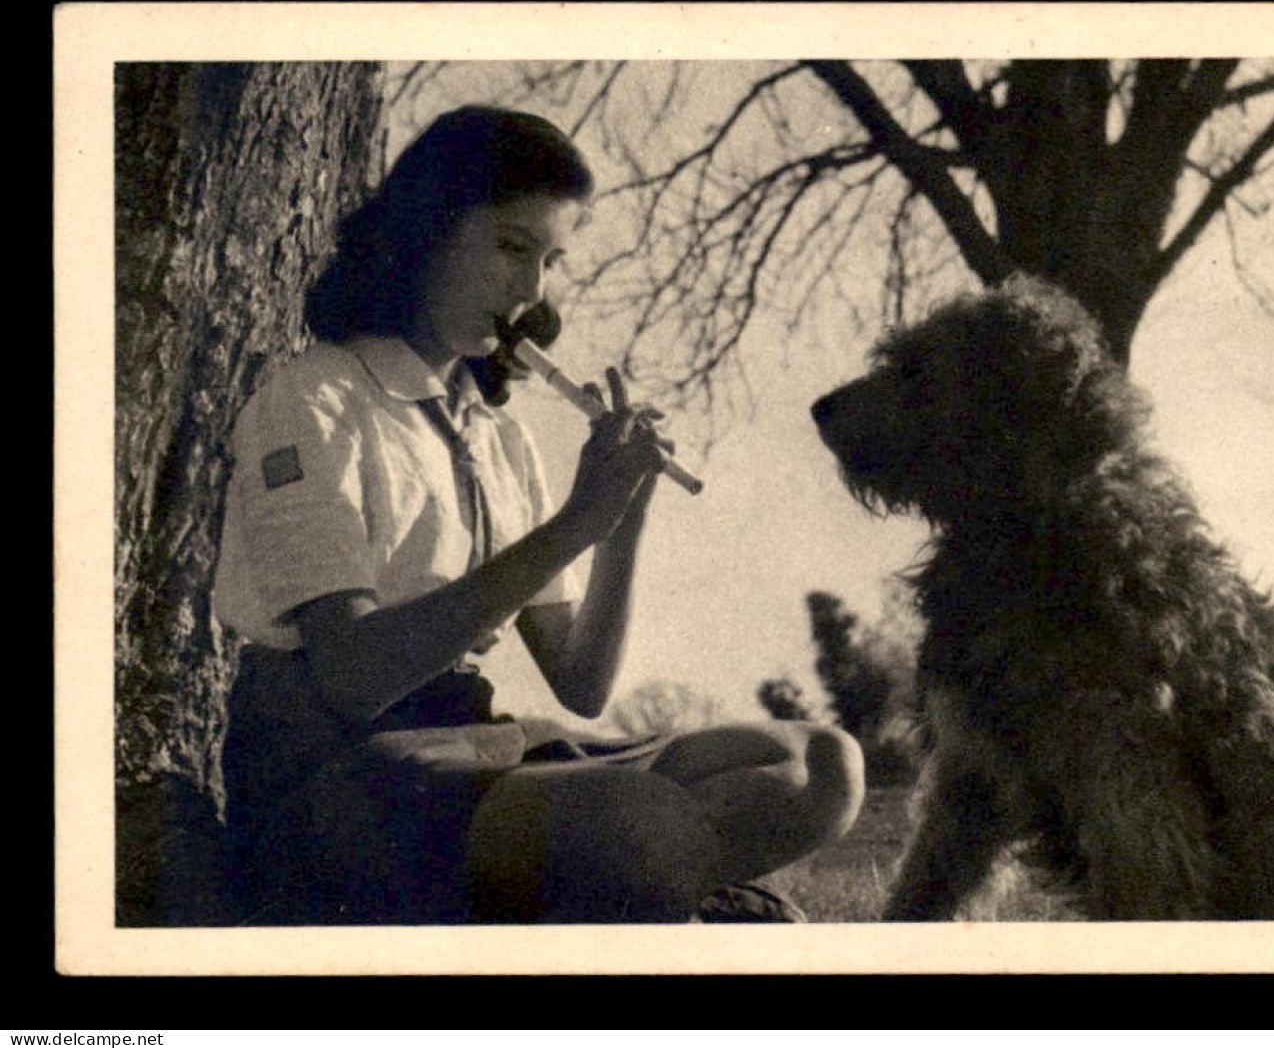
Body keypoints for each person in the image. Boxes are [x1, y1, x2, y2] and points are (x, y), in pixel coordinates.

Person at [213, 106, 865, 925]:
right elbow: (352, 677)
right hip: (338, 781)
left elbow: (583, 683)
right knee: (641, 822)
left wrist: (620, 516)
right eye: (511, 248)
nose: (532, 291)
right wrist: (571, 526)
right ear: (424, 230)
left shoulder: (500, 436)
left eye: (550, 261)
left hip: (472, 751)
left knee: (820, 765)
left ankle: (649, 894)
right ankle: (665, 901)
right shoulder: (316, 396)